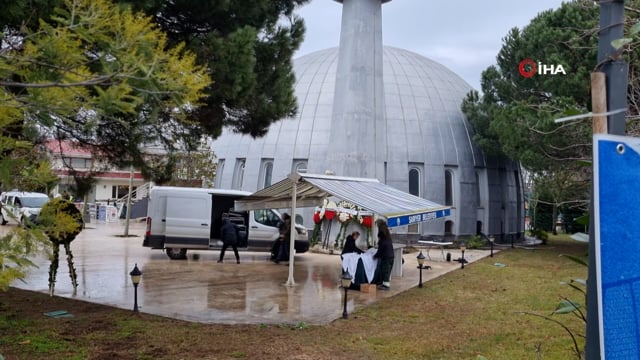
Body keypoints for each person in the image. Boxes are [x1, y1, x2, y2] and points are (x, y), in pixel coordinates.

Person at [373, 219, 394, 290]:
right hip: (391, 256)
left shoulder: (382, 239)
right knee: (387, 271)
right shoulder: (388, 236)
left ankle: (386, 285)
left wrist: (375, 256)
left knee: (385, 271)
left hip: (386, 257)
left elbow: (380, 250)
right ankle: (384, 284)